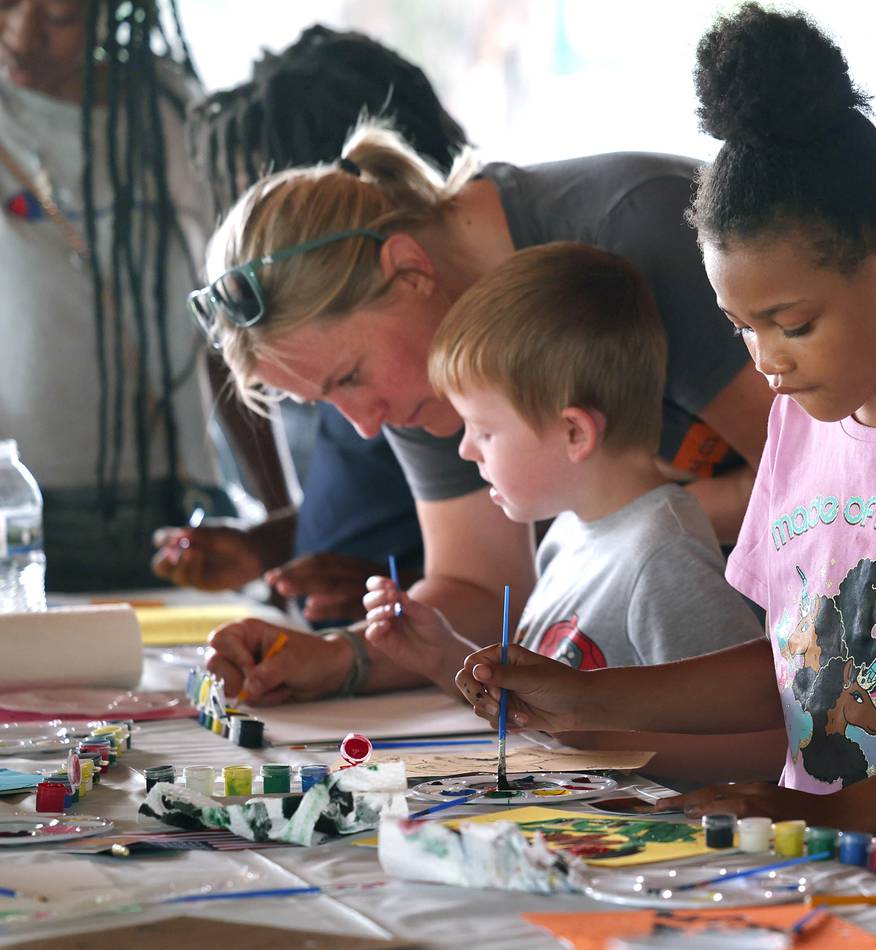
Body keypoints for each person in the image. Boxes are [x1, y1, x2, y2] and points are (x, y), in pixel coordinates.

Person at [454, 4, 876, 950]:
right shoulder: (804, 426)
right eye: (742, 327)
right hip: (813, 873)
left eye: (792, 323)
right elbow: (793, 665)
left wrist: (848, 817)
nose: (767, 360)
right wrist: (587, 699)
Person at [197, 119, 773, 702]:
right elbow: (478, 582)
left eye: (349, 377)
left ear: (409, 270)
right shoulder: (424, 354)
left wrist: (620, 516)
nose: (366, 423)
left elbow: (820, 488)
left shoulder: (641, 230)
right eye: (325, 401)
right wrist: (337, 655)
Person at [362, 241, 780, 781]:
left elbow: (759, 750)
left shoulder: (663, 556)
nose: (465, 450)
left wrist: (587, 737)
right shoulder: (567, 533)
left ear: (574, 432)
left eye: (484, 431)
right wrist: (444, 655)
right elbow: (535, 717)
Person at [153, 25, 469, 624]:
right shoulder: (337, 343)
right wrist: (267, 545)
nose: (256, 230)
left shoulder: (422, 333)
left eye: (275, 193)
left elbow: (526, 527)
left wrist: (406, 595)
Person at [0, 0, 240, 591]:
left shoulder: (167, 113)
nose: (21, 36)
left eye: (58, 18)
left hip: (173, 507)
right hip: (17, 505)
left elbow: (226, 316)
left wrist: (286, 517)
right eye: (4, 5)